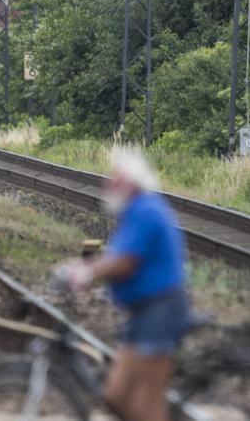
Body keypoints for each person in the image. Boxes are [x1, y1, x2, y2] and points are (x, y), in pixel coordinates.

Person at [57, 147, 191, 421]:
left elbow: (125, 261)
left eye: (115, 179)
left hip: (161, 310)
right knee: (116, 396)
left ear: (131, 182)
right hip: (144, 311)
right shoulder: (134, 211)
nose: (108, 185)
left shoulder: (146, 210)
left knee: (148, 401)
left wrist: (87, 274)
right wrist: (86, 267)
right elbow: (117, 257)